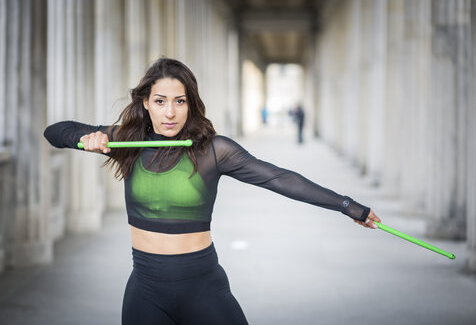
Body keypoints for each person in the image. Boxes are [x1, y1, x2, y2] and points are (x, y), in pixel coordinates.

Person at [44, 58, 381, 325]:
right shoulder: (126, 141)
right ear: (146, 102)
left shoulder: (212, 150)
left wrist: (348, 205)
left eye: (180, 101)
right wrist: (87, 139)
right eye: (160, 101)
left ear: (191, 104)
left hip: (202, 286)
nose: (170, 112)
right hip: (145, 290)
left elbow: (279, 177)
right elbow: (54, 131)